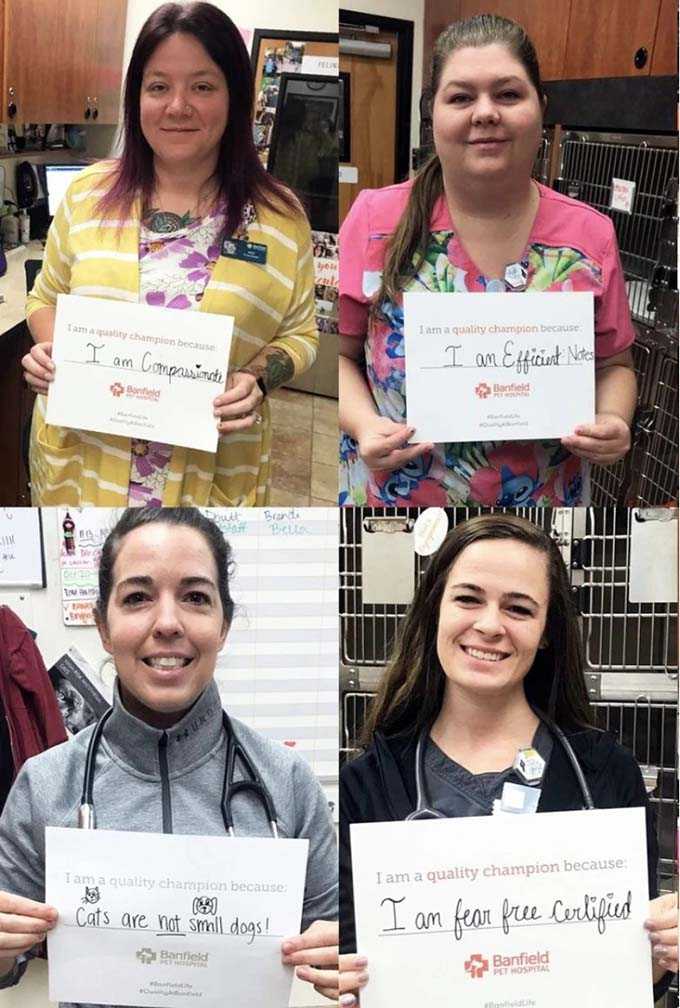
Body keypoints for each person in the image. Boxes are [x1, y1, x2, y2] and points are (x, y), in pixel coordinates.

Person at [0, 508, 338, 1003]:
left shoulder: (286, 781)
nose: (167, 623)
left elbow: (337, 944)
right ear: (102, 626)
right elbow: (6, 970)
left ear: (223, 625)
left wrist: (345, 959)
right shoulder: (44, 783)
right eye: (137, 597)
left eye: (195, 598)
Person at [338, 514, 677, 1004]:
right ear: (436, 609)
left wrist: (664, 949)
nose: (490, 625)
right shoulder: (367, 783)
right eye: (468, 598)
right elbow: (355, 967)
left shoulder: (605, 772)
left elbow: (630, 974)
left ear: (546, 633)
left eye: (518, 608)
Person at [22, 1, 319, 507]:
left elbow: (301, 334)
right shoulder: (86, 195)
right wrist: (55, 354)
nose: (177, 106)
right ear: (137, 97)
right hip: (84, 470)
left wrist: (256, 380)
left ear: (235, 97)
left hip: (211, 474)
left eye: (202, 86)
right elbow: (44, 298)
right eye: (158, 86)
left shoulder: (280, 216)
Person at [339, 14, 637, 507]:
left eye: (507, 94)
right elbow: (343, 357)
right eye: (460, 97)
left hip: (545, 511)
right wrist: (365, 424)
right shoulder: (375, 220)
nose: (485, 113)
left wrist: (615, 421)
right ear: (431, 113)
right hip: (394, 505)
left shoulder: (589, 235)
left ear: (540, 107)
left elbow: (616, 364)